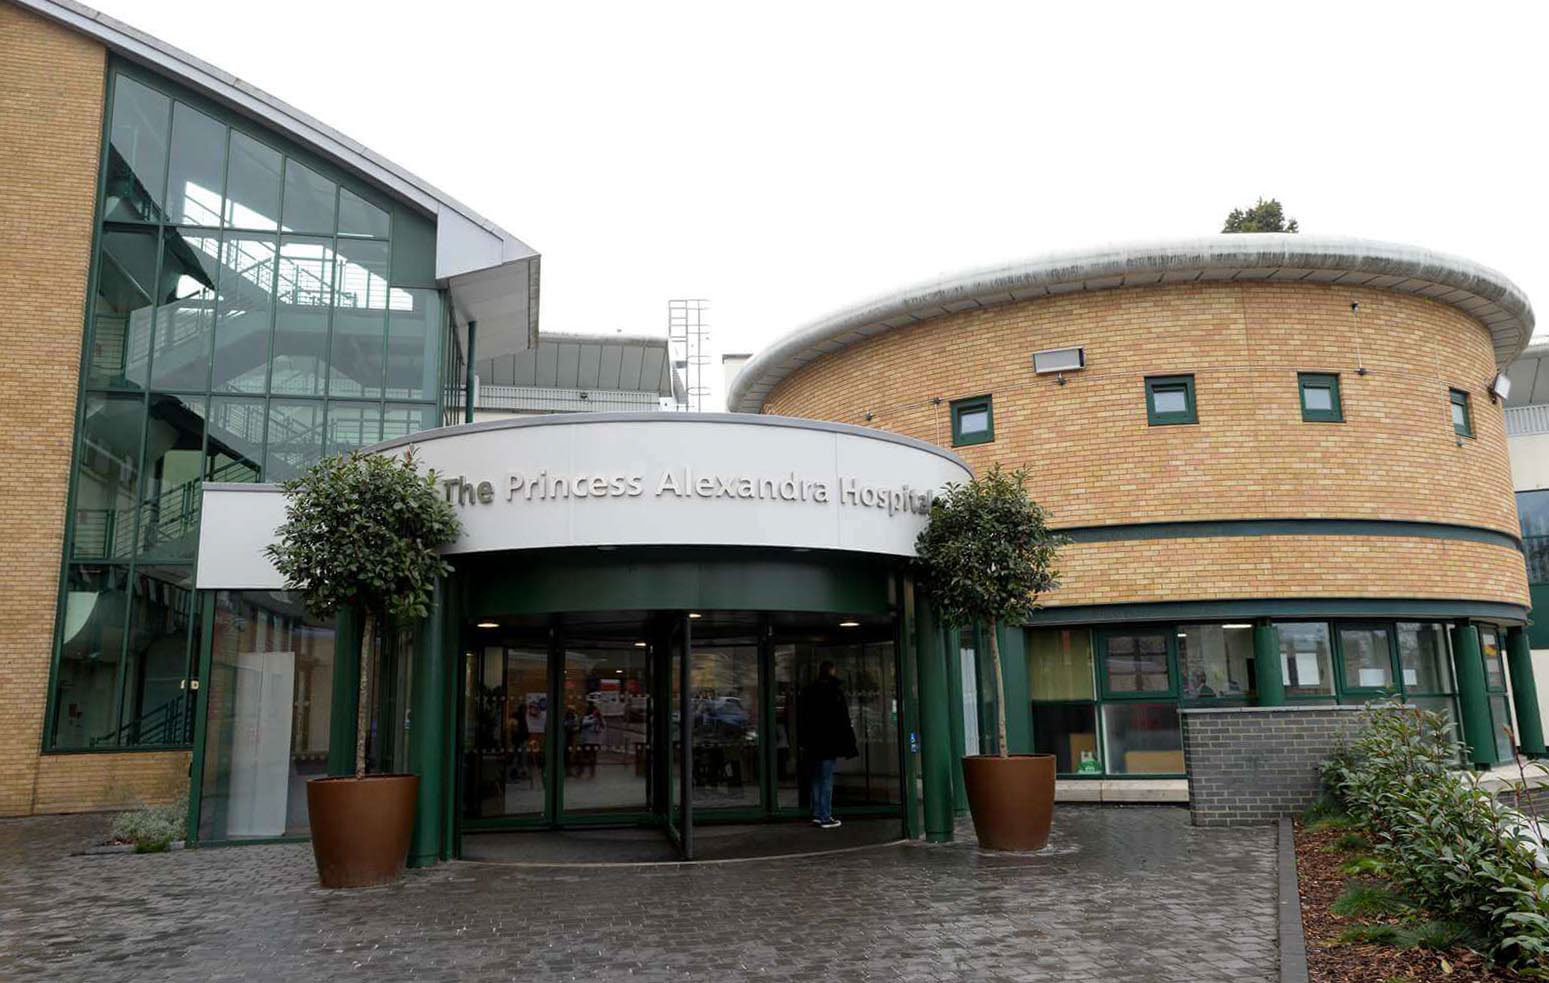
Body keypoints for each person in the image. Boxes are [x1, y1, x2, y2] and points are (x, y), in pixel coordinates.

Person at [798, 661, 859, 829]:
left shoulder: (809, 692)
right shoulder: (835, 693)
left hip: (812, 743)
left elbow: (802, 719)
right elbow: (843, 721)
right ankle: (825, 816)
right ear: (832, 672)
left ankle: (818, 814)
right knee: (826, 780)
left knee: (817, 779)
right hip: (829, 743)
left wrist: (802, 741)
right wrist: (849, 744)